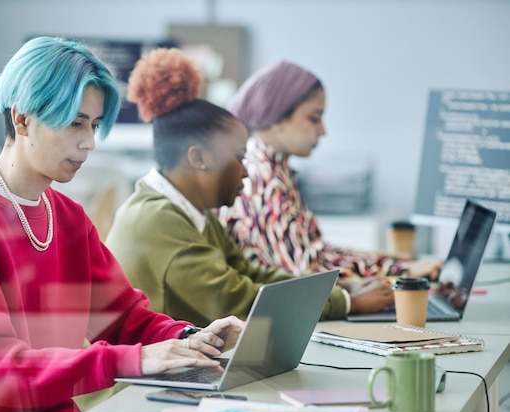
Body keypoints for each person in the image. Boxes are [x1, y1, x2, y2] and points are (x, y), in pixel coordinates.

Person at [0, 36, 244, 412]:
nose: (90, 142)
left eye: (94, 125)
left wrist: (190, 338)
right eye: (75, 123)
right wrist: (135, 361)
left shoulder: (67, 216)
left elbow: (123, 319)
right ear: (22, 117)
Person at [104, 48, 387, 328]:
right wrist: (347, 303)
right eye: (238, 158)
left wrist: (340, 291)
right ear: (198, 159)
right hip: (152, 372)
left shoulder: (192, 211)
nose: (246, 170)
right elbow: (236, 300)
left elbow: (249, 273)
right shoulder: (158, 221)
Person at [217, 60, 443, 297]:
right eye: (314, 118)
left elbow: (314, 252)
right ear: (276, 118)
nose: (323, 130)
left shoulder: (274, 169)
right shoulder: (263, 179)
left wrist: (385, 259)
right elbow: (304, 272)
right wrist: (399, 270)